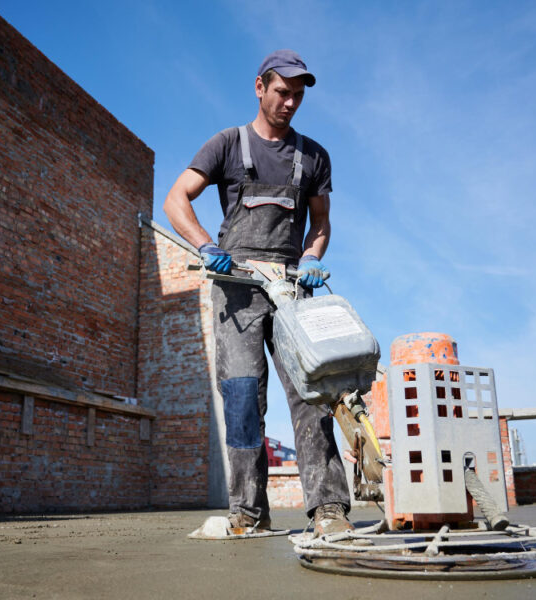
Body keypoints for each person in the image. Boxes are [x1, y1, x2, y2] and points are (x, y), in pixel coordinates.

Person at [163, 50, 352, 536]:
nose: (290, 102)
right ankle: (247, 512)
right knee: (243, 398)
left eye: (298, 94)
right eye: (282, 91)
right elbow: (175, 198)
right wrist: (206, 246)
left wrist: (311, 258)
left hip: (291, 289)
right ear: (259, 87)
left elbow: (322, 223)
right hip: (238, 289)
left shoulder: (313, 156)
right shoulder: (227, 144)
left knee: (312, 394)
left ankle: (328, 510)